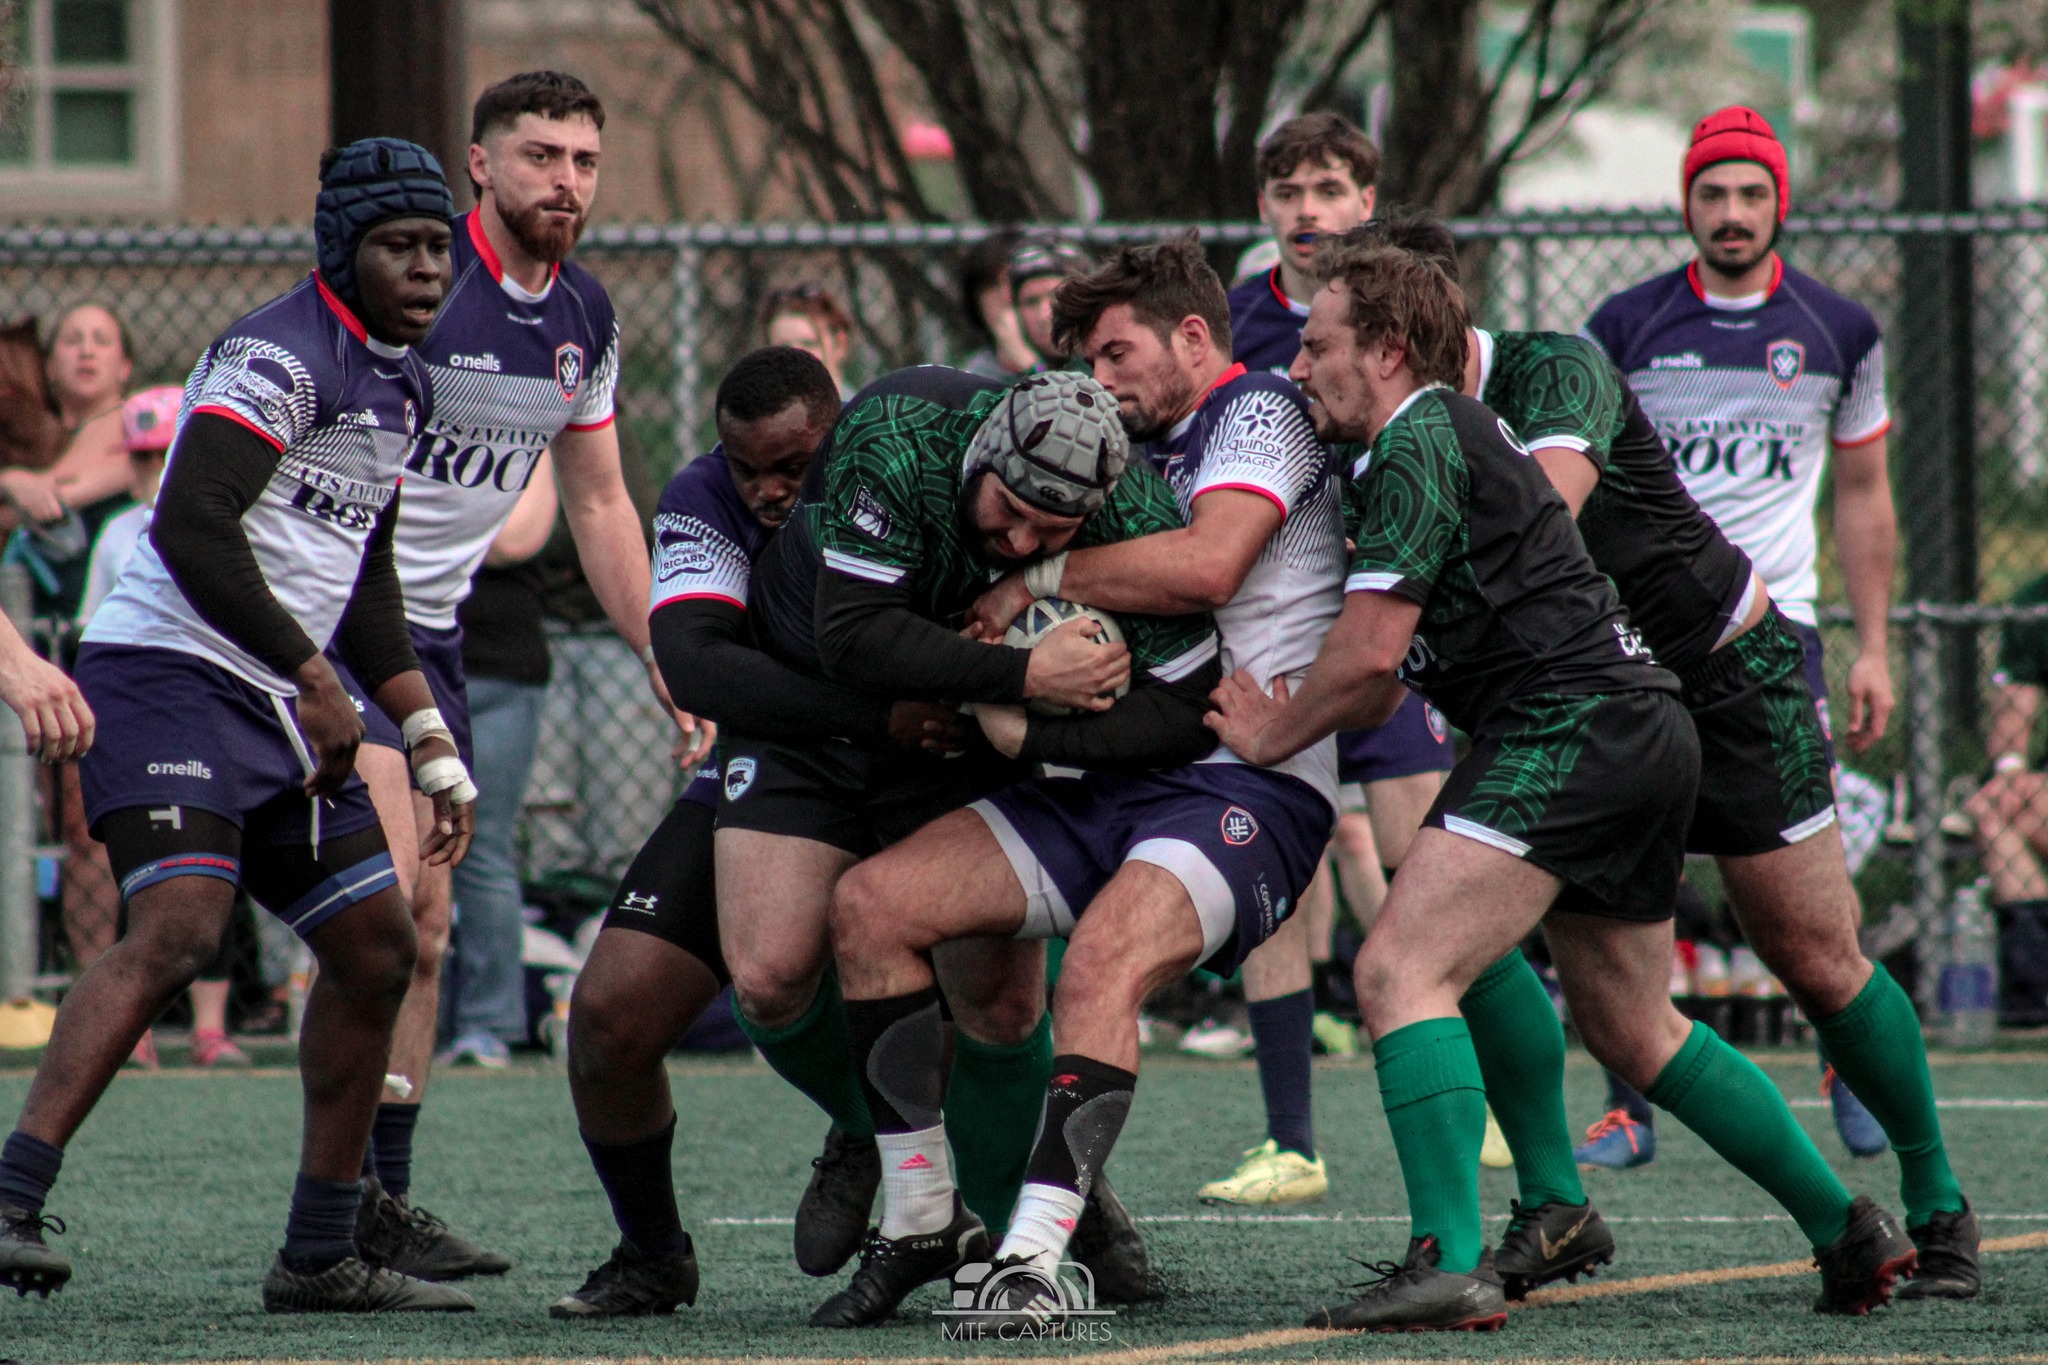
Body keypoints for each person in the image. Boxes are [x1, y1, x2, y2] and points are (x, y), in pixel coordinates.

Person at [1205, 238, 1913, 1329]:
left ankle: (1444, 1260)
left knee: (1398, 965)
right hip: (1633, 726)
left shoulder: (1420, 433)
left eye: (1317, 343)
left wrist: (1267, 734)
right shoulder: (1433, 436)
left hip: (1571, 724)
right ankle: (1844, 1226)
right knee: (1635, 1028)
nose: (1296, 366)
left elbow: (1364, 663)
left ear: (1388, 352)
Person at [1365, 208, 1979, 1301]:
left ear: (1412, 322)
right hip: (1582, 699)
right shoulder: (1378, 423)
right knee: (1566, 984)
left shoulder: (1552, 369)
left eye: (1347, 321)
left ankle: (1936, 1208)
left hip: (1725, 674)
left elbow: (1539, 512)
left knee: (1810, 951)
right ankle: (1555, 1205)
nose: (1322, 346)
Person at [0, 138, 480, 1313]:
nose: (424, 271)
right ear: (341, 251)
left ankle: (319, 1252)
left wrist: (421, 730)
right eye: (398, 247)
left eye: (437, 248)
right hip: (167, 670)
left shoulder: (404, 380)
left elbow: (360, 569)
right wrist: (318, 683)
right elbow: (194, 529)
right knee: (180, 925)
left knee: (378, 947)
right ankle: (10, 1199)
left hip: (272, 687)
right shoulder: (278, 353)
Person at [842, 232, 1342, 1318]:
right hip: (1111, 767)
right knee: (870, 908)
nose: (1100, 383)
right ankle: (921, 1215)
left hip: (1240, 779)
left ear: (1194, 337)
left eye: (1116, 354)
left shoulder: (1254, 407)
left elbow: (1210, 566)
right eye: (1087, 360)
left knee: (1098, 966)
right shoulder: (1126, 451)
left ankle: (1029, 1259)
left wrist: (1037, 576)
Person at [319, 72, 711, 1285]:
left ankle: (379, 1202)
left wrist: (666, 656)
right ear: (479, 166)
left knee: (427, 932)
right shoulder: (421, 286)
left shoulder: (584, 315)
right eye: (540, 154)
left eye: (586, 159)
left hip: (435, 639)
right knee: (384, 919)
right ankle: (329, 1217)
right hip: (338, 623)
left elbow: (598, 500)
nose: (566, 180)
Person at [734, 365, 1215, 1326]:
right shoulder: (897, 429)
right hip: (819, 720)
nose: (1025, 539)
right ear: (983, 452)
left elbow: (1190, 699)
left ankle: (1001, 1219)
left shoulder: (1125, 499)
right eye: (1012, 510)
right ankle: (870, 1129)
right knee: (769, 972)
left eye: (1057, 528)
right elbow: (855, 637)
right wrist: (1026, 671)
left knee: (998, 998)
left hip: (964, 737)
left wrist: (1032, 725)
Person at [553, 345, 965, 1317]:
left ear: (841, 433)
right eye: (750, 469)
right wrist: (872, 713)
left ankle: (1059, 1204)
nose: (770, 491)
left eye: (793, 465)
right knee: (612, 1014)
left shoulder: (903, 463)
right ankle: (663, 1248)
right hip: (787, 759)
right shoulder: (703, 496)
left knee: (991, 990)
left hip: (931, 761)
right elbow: (696, 665)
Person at [1580, 105, 1910, 1177]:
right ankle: (1625, 1104)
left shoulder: (1838, 330)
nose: (1729, 213)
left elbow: (1862, 496)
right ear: (1685, 201)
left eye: (1749, 193)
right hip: (1641, 629)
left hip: (1779, 635)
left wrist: (1872, 647)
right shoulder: (1621, 325)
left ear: (1779, 201)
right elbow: (1578, 485)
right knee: (1627, 854)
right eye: (1711, 193)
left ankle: (1846, 1064)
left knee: (1798, 881)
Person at [1201, 111, 1451, 1208]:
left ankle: (1473, 1102)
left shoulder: (1402, 312)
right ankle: (1289, 1141)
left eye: (1329, 189)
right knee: (1274, 880)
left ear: (1365, 202)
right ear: (1264, 206)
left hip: (1382, 625)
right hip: (1276, 647)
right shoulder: (1229, 323)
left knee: (1428, 866)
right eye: (1288, 190)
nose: (1307, 209)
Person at [76, 385, 254, 1069]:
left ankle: (211, 1024)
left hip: (218, 704)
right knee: (145, 875)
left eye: (167, 453)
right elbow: (98, 628)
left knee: (222, 866)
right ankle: (134, 1027)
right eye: (143, 458)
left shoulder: (226, 517)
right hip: (144, 712)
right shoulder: (119, 531)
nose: (155, 471)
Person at [434, 469, 559, 1069]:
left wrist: (434, 521)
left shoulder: (528, 431)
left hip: (499, 669)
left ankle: (487, 1025)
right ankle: (406, 1019)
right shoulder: (403, 412)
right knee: (396, 849)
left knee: (480, 849)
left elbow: (516, 539)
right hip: (404, 663)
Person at [1964, 573, 2048, 1027]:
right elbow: (2017, 701)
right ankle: (2034, 992)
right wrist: (2012, 770)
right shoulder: (2038, 600)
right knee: (1992, 808)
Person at [957, 233, 1039, 380]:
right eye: (992, 286)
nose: (1007, 296)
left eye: (1015, 282)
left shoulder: (1080, 361)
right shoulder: (973, 377)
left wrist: (1028, 366)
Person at [1007, 239, 1093, 367]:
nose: (1044, 315)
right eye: (1031, 302)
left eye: (1058, 298)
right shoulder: (992, 377)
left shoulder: (1117, 375)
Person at [760, 283, 856, 396]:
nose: (795, 358)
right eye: (783, 348)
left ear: (840, 345)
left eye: (809, 344)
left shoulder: (866, 411)